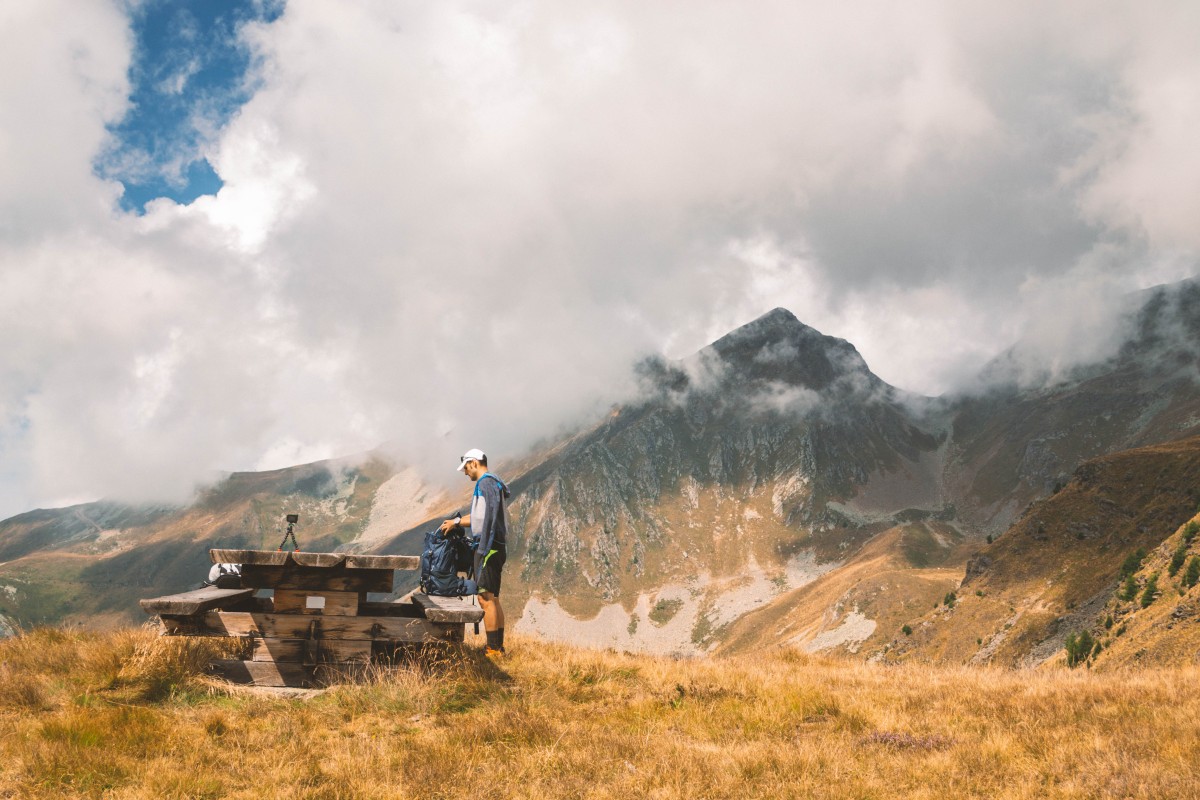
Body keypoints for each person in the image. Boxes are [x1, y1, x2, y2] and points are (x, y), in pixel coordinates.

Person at [440, 448, 510, 656]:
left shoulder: (486, 483)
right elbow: (480, 516)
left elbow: (489, 515)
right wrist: (456, 521)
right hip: (495, 545)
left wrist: (484, 546)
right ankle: (497, 646)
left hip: (488, 546)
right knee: (493, 598)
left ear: (473, 462)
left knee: (485, 599)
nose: (465, 473)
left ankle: (493, 650)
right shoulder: (492, 482)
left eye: (466, 468)